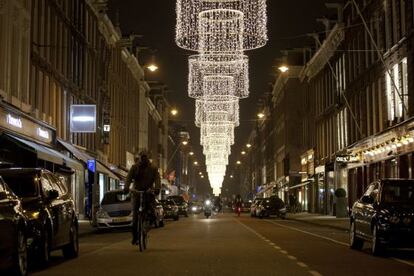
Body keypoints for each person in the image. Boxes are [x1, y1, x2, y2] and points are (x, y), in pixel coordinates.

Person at [125, 151, 160, 245]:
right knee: (135, 217)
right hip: (137, 192)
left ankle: (148, 224)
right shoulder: (135, 167)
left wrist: (157, 188)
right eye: (142, 157)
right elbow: (128, 178)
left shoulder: (153, 168)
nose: (144, 159)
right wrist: (126, 188)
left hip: (148, 192)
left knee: (152, 211)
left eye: (145, 157)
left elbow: (157, 179)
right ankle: (135, 236)